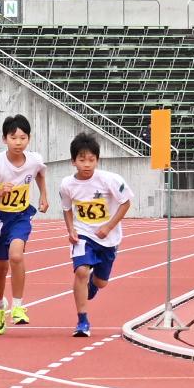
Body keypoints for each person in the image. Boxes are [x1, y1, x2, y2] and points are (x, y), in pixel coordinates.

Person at [0, 115, 50, 335]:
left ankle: (18, 306)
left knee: (16, 255)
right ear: (4, 139)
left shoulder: (34, 160)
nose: (18, 142)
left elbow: (40, 174)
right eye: (13, 137)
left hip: (20, 216)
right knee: (0, 268)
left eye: (23, 137)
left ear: (29, 139)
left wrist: (43, 196)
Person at [60, 133, 133, 338]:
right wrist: (71, 230)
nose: (87, 164)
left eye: (91, 160)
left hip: (108, 238)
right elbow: (67, 209)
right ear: (73, 161)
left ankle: (93, 284)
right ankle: (82, 321)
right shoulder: (67, 185)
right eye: (82, 160)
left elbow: (126, 202)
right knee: (81, 271)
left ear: (97, 160)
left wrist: (109, 227)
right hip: (83, 235)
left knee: (101, 283)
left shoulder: (110, 180)